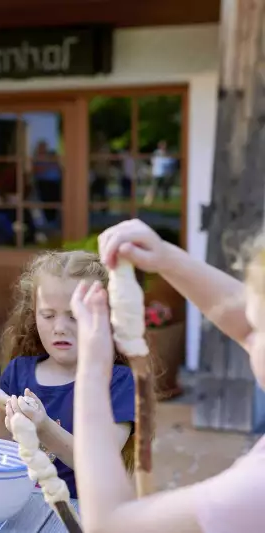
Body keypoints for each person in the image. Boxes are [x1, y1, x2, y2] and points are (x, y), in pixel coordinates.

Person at [71, 218, 265, 532]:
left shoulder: (253, 490)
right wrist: (166, 258)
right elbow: (239, 314)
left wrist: (92, 370)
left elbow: (108, 524)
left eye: (256, 329)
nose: (246, 336)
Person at [0, 250, 136, 500]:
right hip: (20, 505)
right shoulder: (19, 371)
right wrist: (3, 413)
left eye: (75, 316)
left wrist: (44, 426)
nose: (60, 328)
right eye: (48, 315)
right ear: (34, 314)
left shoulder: (116, 382)